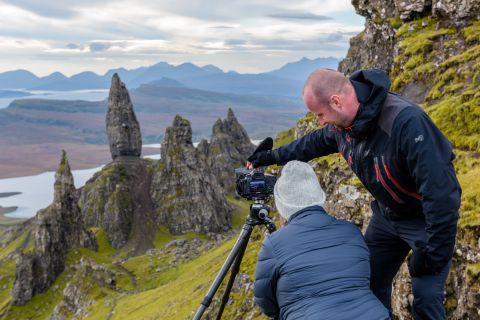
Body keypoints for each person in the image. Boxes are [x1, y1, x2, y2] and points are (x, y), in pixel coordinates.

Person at [248, 69, 461, 320]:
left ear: (336, 101)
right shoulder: (344, 125)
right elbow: (311, 144)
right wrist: (270, 157)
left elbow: (442, 195)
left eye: (320, 114)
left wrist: (433, 253)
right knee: (365, 282)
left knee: (426, 298)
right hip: (387, 217)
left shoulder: (405, 122)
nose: (320, 121)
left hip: (424, 221)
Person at [253, 160, 390, 320]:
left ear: (282, 202)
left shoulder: (274, 244)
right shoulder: (351, 230)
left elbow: (264, 300)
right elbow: (365, 278)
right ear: (318, 195)